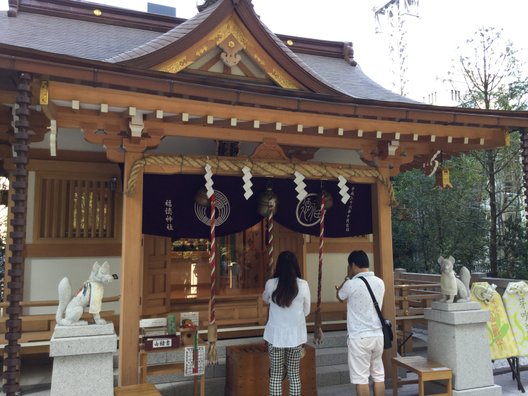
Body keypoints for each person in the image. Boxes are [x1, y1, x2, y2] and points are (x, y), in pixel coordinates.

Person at [335, 250, 386, 396]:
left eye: (349, 266)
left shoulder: (351, 284)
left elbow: (339, 296)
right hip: (377, 335)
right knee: (378, 375)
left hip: (359, 337)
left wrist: (347, 277)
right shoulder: (380, 282)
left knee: (361, 379)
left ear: (353, 265)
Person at [262, 251, 311, 396]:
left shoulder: (271, 284)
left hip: (275, 336)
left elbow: (265, 299)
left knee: (276, 376)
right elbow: (307, 311)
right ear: (296, 265)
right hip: (296, 336)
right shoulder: (303, 285)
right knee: (294, 375)